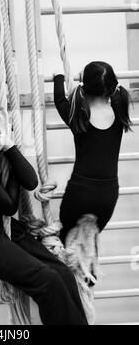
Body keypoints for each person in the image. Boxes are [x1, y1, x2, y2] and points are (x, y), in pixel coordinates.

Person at [0, 100, 88, 325]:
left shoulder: (1, 152)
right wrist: (8, 152)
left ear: (6, 133)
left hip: (7, 231)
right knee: (48, 281)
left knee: (63, 274)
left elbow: (30, 181)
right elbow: (9, 206)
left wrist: (9, 147)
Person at [54, 61, 132, 245]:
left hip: (80, 193)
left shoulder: (77, 115)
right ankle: (90, 275)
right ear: (113, 87)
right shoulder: (120, 111)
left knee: (68, 246)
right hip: (108, 196)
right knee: (88, 245)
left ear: (84, 85)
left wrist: (58, 76)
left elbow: (59, 100)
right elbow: (116, 92)